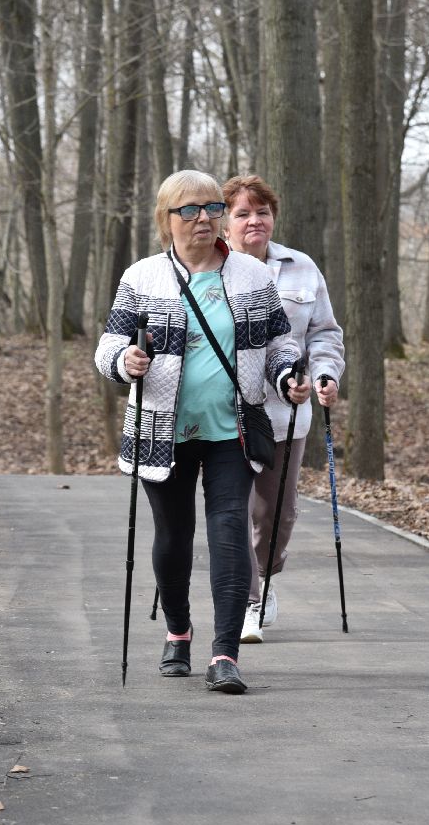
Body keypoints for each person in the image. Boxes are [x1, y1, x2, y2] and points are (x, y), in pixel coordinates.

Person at [95, 169, 309, 694]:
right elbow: (106, 348)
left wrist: (289, 375)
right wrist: (126, 360)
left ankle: (225, 653)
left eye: (213, 209)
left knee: (230, 530)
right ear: (166, 221)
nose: (204, 220)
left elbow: (278, 345)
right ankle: (178, 632)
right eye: (189, 211)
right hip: (160, 429)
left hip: (231, 429)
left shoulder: (252, 278)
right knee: (173, 537)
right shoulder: (142, 278)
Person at [222, 175, 345, 644]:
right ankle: (247, 603)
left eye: (263, 212)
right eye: (243, 213)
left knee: (277, 512)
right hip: (224, 415)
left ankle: (266, 578)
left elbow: (324, 335)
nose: (255, 220)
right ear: (226, 222)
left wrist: (324, 375)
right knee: (231, 509)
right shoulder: (214, 270)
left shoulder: (301, 268)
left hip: (286, 415)